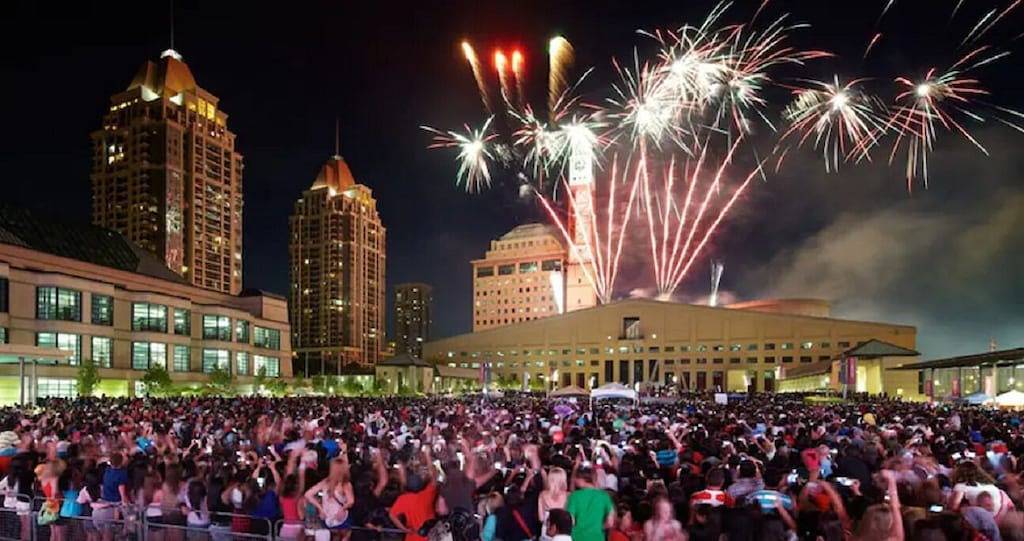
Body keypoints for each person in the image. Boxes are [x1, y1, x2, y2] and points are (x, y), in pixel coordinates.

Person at [565, 466, 613, 541]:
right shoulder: (604, 496)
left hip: (578, 537)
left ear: (581, 479)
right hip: (597, 537)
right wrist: (599, 527)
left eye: (576, 478)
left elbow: (571, 521)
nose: (574, 480)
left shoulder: (574, 496)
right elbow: (610, 522)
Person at [538, 467, 569, 541]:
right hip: (563, 533)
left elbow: (541, 518)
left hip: (547, 532)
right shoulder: (568, 496)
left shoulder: (542, 495)